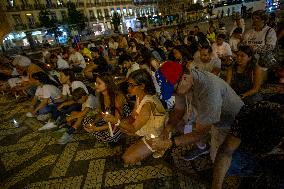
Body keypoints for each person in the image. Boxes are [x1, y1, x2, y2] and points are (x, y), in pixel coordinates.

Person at [149, 63, 244, 161]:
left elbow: (200, 132)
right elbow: (179, 109)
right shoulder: (184, 82)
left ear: (184, 78)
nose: (174, 95)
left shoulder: (209, 90)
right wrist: (167, 129)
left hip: (233, 123)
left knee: (219, 157)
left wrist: (169, 143)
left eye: (174, 91)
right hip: (212, 116)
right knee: (188, 127)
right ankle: (203, 147)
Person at [212, 101, 284, 189]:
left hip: (278, 160)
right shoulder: (249, 112)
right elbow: (226, 151)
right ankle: (253, 175)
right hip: (251, 150)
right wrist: (216, 185)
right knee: (230, 167)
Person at [103, 69, 167, 164]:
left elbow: (133, 128)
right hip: (146, 128)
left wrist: (117, 121)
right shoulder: (139, 95)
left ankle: (161, 147)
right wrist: (122, 123)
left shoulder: (147, 104)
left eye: (132, 85)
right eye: (129, 84)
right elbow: (133, 115)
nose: (128, 88)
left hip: (156, 135)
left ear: (142, 86)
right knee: (122, 127)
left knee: (127, 159)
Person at [83, 73, 131, 142]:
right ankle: (102, 134)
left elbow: (116, 121)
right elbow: (101, 113)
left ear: (107, 85)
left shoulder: (117, 97)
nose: (96, 85)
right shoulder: (101, 95)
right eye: (96, 83)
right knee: (86, 121)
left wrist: (97, 129)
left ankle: (118, 136)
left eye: (99, 83)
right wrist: (93, 123)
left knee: (110, 136)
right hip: (108, 119)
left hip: (121, 121)